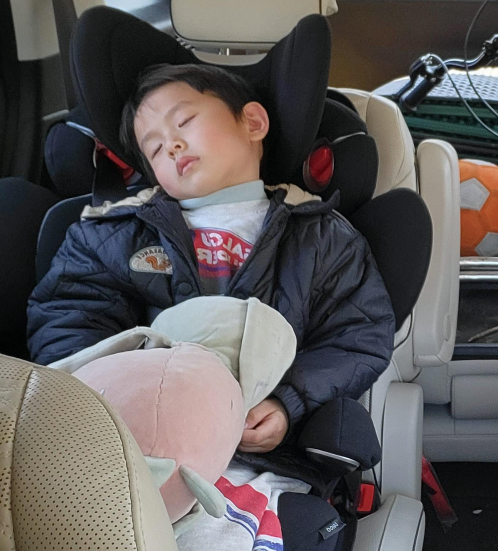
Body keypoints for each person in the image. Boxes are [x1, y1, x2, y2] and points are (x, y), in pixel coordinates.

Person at [27, 63, 396, 452]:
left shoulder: (321, 235)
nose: (171, 145)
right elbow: (70, 323)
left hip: (263, 450)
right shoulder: (112, 235)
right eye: (155, 148)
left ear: (252, 123)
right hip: (136, 440)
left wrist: (287, 403)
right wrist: (115, 405)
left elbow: (357, 336)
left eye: (184, 122)